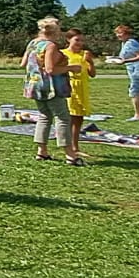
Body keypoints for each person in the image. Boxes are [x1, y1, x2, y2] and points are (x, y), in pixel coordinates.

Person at [25, 17, 83, 166]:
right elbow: (50, 69)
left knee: (44, 117)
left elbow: (23, 63)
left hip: (36, 86)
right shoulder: (50, 46)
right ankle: (70, 155)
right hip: (51, 87)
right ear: (55, 31)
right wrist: (71, 68)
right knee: (63, 118)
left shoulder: (33, 43)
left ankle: (42, 151)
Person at [64, 28, 98, 148]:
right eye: (77, 40)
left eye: (82, 40)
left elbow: (92, 74)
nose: (79, 43)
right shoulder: (63, 53)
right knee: (69, 117)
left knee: (79, 118)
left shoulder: (84, 54)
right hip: (69, 88)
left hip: (82, 89)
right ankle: (67, 145)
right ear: (68, 39)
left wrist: (90, 62)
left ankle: (75, 145)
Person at [114, 25, 139, 121]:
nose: (118, 35)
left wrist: (125, 61)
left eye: (120, 33)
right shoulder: (125, 43)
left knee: (134, 92)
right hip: (133, 69)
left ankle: (138, 115)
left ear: (127, 34)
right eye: (117, 33)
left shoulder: (131, 43)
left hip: (138, 69)